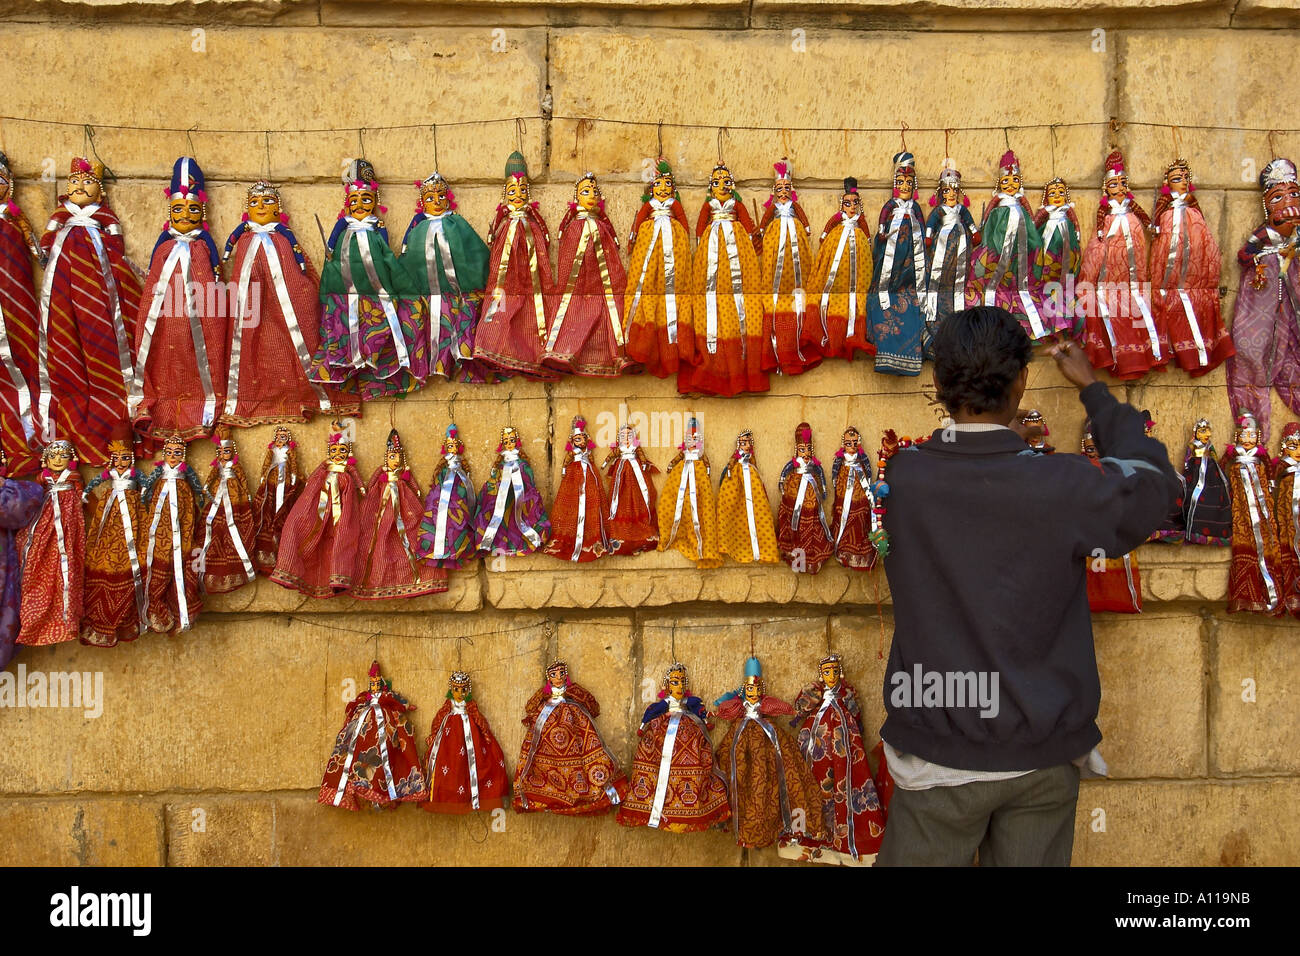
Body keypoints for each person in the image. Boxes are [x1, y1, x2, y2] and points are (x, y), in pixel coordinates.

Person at [875, 304, 1179, 867]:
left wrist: (1002, 445)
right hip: (1039, 759)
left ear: (938, 384)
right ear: (1021, 381)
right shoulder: (1060, 484)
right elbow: (1156, 484)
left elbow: (967, 477)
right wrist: (1093, 390)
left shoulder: (904, 479)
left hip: (939, 754)